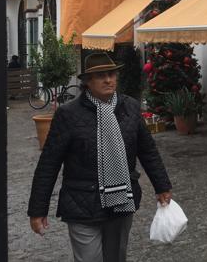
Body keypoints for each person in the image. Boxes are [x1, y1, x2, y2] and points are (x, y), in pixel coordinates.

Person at [28, 52, 173, 262]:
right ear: (87, 82)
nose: (108, 80)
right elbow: (49, 163)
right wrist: (37, 209)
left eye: (112, 74)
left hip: (121, 200)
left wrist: (162, 186)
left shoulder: (130, 107)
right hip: (82, 203)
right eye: (100, 76)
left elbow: (148, 150)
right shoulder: (68, 114)